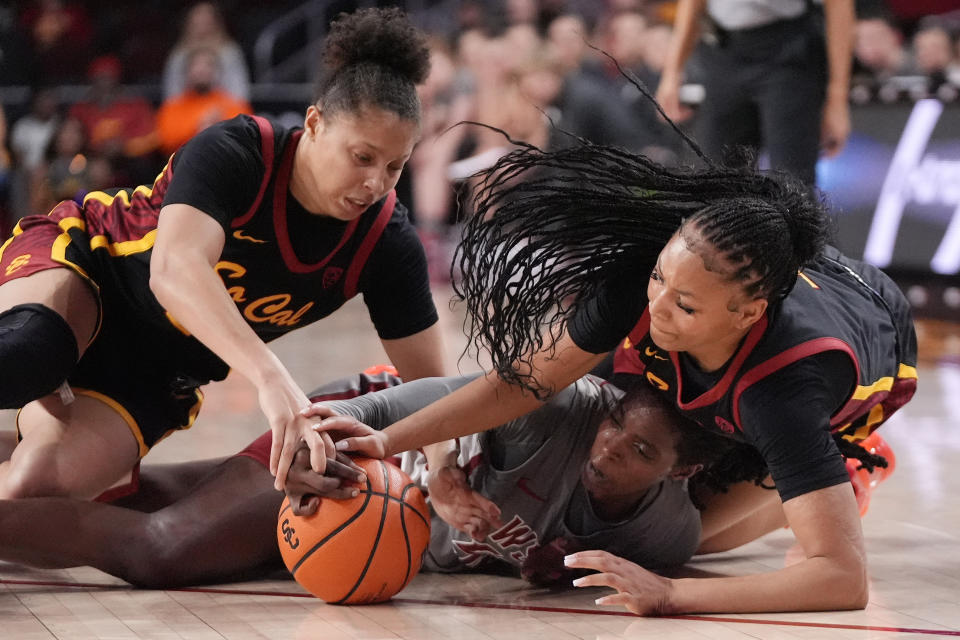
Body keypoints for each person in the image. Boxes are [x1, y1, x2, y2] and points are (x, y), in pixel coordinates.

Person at [308, 125, 917, 614]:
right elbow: (518, 385)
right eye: (660, 277)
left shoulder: (782, 395)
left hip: (869, 348)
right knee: (627, 428)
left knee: (693, 527)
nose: (654, 308)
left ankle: (842, 478)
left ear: (746, 313)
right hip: (759, 300)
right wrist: (385, 437)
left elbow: (841, 580)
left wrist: (673, 595)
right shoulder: (651, 289)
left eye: (681, 304)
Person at [0, 8, 444, 503]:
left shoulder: (386, 241)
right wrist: (271, 377)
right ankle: (43, 369)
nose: (375, 183)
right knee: (28, 354)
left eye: (394, 166)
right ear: (315, 123)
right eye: (362, 157)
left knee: (30, 491)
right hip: (95, 266)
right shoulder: (239, 151)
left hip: (157, 371)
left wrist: (445, 473)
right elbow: (173, 271)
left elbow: (434, 390)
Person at [0, 368, 723, 588]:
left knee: (144, 491)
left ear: (681, 472)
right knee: (165, 549)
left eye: (639, 455)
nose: (608, 453)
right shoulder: (563, 406)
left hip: (376, 522)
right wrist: (440, 469)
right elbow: (426, 404)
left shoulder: (665, 533)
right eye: (614, 429)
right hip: (356, 436)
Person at [654, 0, 855, 185]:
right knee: (716, 182)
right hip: (723, 50)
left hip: (788, 50)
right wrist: (673, 71)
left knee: (791, 185)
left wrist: (837, 98)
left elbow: (838, 5)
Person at [156, 46, 253, 156]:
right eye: (195, 65)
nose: (201, 70)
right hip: (184, 165)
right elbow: (166, 142)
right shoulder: (172, 107)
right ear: (186, 72)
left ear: (216, 71)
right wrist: (199, 126)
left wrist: (219, 129)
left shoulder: (234, 105)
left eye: (208, 65)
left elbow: (247, 139)